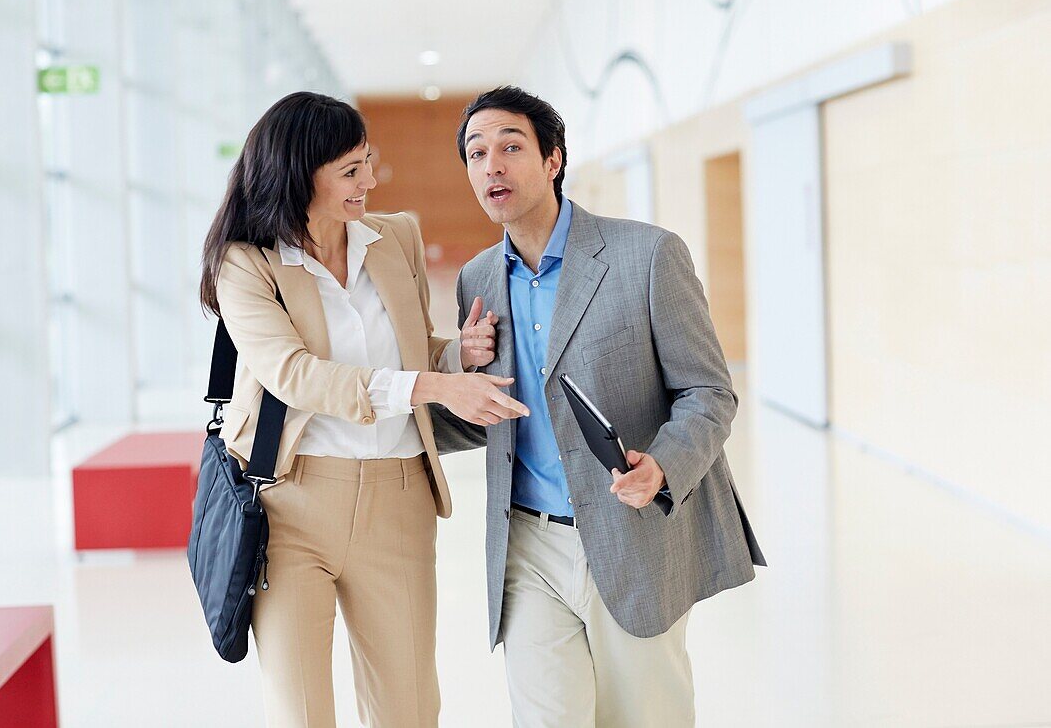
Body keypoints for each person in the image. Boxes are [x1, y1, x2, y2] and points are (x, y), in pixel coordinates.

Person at [432, 86, 766, 727]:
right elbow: (482, 416)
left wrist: (663, 465)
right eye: (476, 154)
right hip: (526, 542)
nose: (492, 166)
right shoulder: (478, 280)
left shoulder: (647, 256)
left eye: (510, 147)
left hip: (628, 532)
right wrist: (456, 370)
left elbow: (709, 392)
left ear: (553, 158)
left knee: (644, 716)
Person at [198, 91, 529, 728]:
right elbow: (293, 374)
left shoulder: (394, 236)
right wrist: (428, 388)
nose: (369, 182)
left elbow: (406, 350)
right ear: (300, 177)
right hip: (290, 504)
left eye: (367, 163)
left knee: (408, 709)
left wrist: (454, 353)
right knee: (300, 713)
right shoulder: (247, 262)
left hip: (399, 499)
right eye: (351, 171)